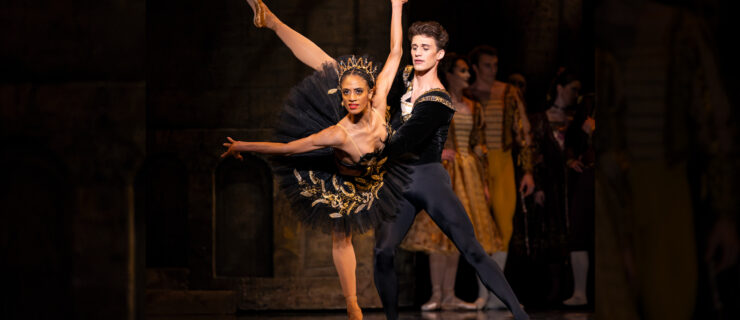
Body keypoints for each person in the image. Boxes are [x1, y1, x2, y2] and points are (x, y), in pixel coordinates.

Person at [222, 1, 407, 319]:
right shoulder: (338, 133)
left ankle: (272, 21)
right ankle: (351, 301)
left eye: (356, 93)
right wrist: (244, 144)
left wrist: (396, 5)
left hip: (373, 171)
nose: (350, 99)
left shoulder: (378, 99)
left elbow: (396, 52)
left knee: (333, 67)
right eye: (346, 93)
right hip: (341, 175)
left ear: (369, 92)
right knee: (341, 233)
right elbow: (289, 149)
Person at [373, 22, 529, 320]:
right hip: (401, 180)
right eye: (415, 47)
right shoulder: (406, 77)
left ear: (439, 54)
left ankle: (520, 314)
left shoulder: (439, 100)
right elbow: (393, 56)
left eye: (426, 48)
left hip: (429, 179)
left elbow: (402, 141)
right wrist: (395, 9)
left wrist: (363, 148)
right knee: (383, 251)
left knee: (472, 250)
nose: (418, 53)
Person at [400, 53, 502, 311]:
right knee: (438, 233)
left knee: (457, 232)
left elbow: (479, 143)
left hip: (468, 174)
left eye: (468, 71)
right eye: (463, 71)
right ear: (450, 74)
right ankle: (436, 294)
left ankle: (450, 294)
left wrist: (484, 179)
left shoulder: (472, 105)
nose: (467, 75)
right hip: (443, 170)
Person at [466, 45, 535, 309]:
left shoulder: (508, 92)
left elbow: (523, 131)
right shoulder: (467, 93)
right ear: (475, 67)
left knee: (504, 226)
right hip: (476, 164)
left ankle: (497, 294)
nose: (492, 70)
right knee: (479, 229)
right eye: (487, 65)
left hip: (504, 162)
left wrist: (527, 171)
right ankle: (482, 293)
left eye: (495, 65)